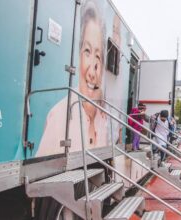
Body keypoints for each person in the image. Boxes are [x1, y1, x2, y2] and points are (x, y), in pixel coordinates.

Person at [37, 0, 107, 157]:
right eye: (87, 51)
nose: (92, 70)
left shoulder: (103, 118)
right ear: (78, 55)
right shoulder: (59, 116)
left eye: (98, 56)